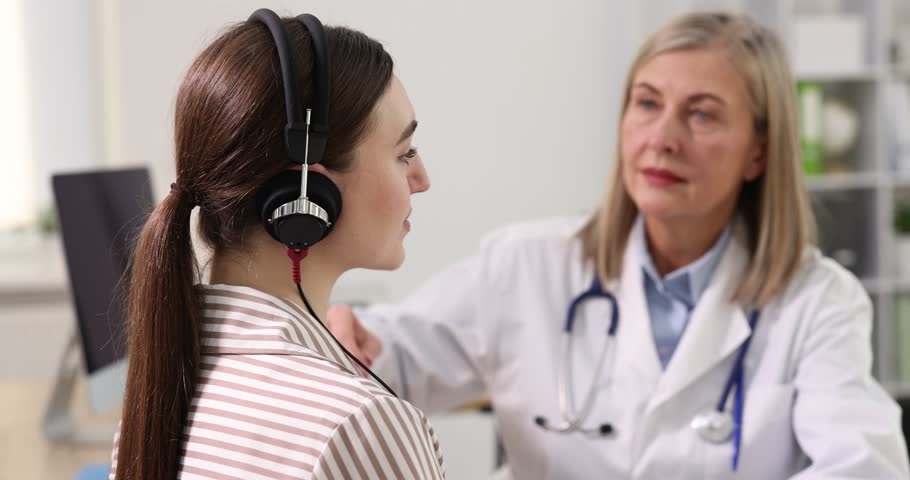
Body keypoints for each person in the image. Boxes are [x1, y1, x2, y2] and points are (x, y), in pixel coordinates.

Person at [327, 11, 910, 479]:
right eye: (648, 103)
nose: (662, 139)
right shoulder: (528, 265)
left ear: (759, 151)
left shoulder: (818, 301)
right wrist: (353, 334)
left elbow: (864, 465)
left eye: (702, 115)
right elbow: (393, 360)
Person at [109, 9, 444, 480]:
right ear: (307, 198)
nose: (421, 178)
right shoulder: (360, 426)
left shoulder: (152, 409)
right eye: (403, 152)